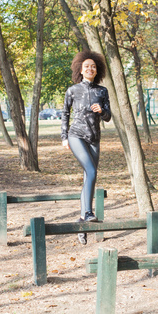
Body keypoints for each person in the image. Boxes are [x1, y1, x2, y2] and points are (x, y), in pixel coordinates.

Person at [61, 50, 111, 245]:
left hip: (94, 138)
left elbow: (108, 116)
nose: (90, 68)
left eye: (93, 66)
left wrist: (102, 110)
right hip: (76, 136)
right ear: (80, 70)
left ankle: (82, 221)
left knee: (88, 177)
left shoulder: (102, 91)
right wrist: (64, 137)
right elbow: (65, 113)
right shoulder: (72, 90)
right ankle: (88, 213)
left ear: (96, 70)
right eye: (86, 66)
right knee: (90, 171)